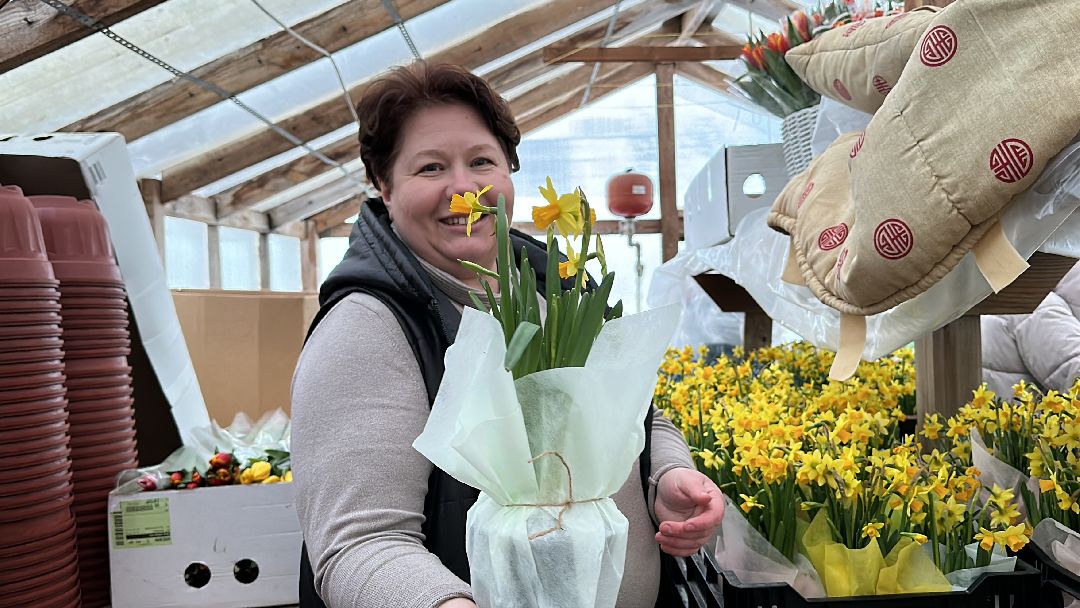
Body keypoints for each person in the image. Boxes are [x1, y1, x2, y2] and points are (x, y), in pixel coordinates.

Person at [290, 61, 725, 608]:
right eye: (429, 168)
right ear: (384, 185)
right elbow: (359, 546)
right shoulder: (368, 329)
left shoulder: (561, 293)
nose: (463, 189)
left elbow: (634, 415)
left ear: (509, 172)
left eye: (481, 162)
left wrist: (666, 475)